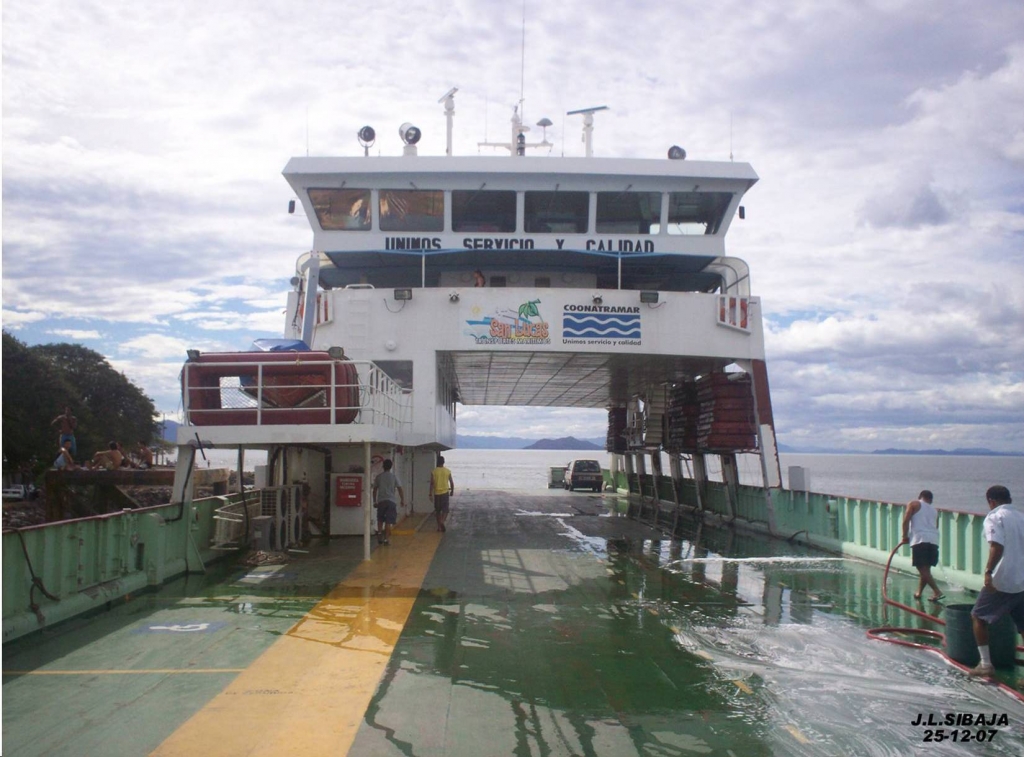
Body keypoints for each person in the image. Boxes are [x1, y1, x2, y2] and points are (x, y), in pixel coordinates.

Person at [970, 485, 1024, 676]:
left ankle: (985, 664)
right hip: (1022, 579)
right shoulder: (1021, 517)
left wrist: (988, 572)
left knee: (978, 616)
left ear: (991, 502)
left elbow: (997, 546)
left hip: (1003, 579)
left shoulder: (994, 517)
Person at [901, 489, 943, 601]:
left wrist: (904, 536)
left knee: (921, 568)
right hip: (934, 540)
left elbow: (906, 520)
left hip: (920, 539)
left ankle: (937, 591)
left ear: (920, 497)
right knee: (926, 569)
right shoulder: (935, 511)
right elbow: (936, 526)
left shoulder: (914, 504)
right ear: (931, 500)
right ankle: (919, 592)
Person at [372, 459, 405, 545]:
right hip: (391, 501)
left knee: (380, 519)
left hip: (381, 501)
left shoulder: (379, 477)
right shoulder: (394, 477)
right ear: (391, 467)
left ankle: (379, 534)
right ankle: (386, 539)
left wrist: (374, 501)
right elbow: (400, 489)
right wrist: (402, 500)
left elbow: (374, 490)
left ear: (383, 466)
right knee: (388, 521)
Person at [429, 455, 455, 532]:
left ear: (437, 462)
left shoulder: (434, 471)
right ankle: (442, 521)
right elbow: (451, 482)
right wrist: (452, 491)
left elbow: (432, 483)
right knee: (445, 510)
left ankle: (439, 527)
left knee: (438, 511)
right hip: (445, 493)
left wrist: (430, 493)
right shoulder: (447, 471)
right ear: (443, 462)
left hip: (437, 493)